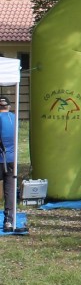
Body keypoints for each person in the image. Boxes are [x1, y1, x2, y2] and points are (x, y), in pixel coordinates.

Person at [0, 96, 17, 232]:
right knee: (9, 189)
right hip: (11, 159)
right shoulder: (14, 118)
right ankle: (9, 220)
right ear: (9, 106)